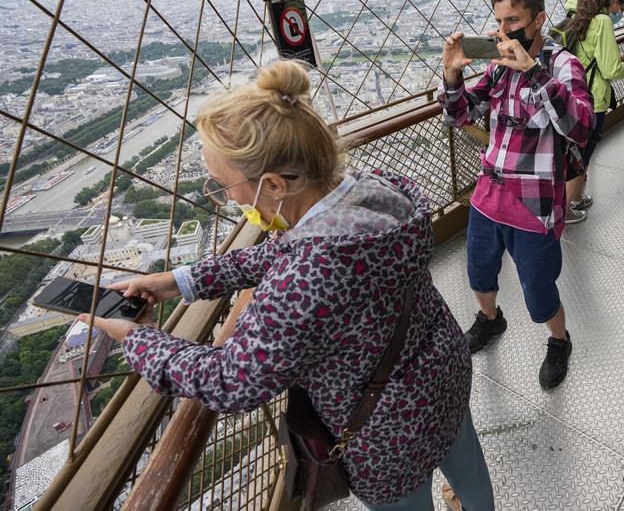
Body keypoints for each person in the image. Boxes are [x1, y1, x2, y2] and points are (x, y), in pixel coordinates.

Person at [80, 60, 495, 510]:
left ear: (274, 184)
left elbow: (231, 380)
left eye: (223, 186)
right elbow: (288, 252)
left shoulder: (306, 278)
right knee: (470, 472)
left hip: (387, 432)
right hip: (443, 374)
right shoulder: (379, 195)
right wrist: (182, 280)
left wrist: (138, 339)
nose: (228, 198)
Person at [438, 0, 594, 389]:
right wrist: (452, 77)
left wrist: (536, 73)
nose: (504, 30)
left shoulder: (562, 65)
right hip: (489, 193)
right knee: (479, 272)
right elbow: (460, 116)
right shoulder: (499, 64)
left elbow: (581, 126)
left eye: (513, 21)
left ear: (539, 19)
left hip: (535, 202)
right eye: (499, 21)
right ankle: (490, 318)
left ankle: (558, 340)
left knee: (539, 288)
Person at [561, 0, 624, 220]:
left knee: (572, 151)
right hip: (591, 98)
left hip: (569, 92)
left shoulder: (578, 9)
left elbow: (588, 53)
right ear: (614, 1)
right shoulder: (603, 20)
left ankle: (575, 198)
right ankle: (565, 211)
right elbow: (610, 71)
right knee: (581, 156)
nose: (620, 15)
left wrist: (615, 57)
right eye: (622, 9)